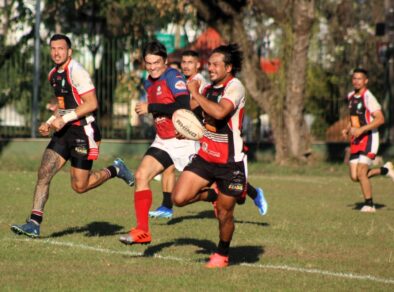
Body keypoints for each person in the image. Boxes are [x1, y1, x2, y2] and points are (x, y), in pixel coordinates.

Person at [10, 34, 134, 238]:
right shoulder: (53, 74)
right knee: (44, 172)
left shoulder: (77, 72)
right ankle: (34, 223)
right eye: (52, 48)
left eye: (60, 48)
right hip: (64, 132)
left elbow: (92, 103)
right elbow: (63, 105)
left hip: (83, 133)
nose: (56, 52)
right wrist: (49, 123)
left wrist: (64, 119)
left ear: (69, 51)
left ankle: (116, 169)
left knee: (80, 186)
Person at [149, 50, 268, 219]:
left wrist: (170, 106)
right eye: (183, 62)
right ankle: (171, 204)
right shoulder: (188, 82)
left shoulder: (201, 84)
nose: (185, 65)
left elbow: (204, 109)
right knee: (181, 188)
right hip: (206, 147)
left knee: (238, 199)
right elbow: (196, 114)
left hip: (229, 155)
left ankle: (255, 194)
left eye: (190, 62)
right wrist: (187, 129)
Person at [172, 44, 247, 268]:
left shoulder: (235, 87)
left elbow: (220, 112)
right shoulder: (207, 89)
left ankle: (222, 253)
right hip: (206, 156)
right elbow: (203, 119)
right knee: (179, 198)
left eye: (216, 65)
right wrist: (189, 131)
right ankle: (212, 195)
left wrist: (194, 91)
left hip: (230, 163)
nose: (210, 68)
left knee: (225, 215)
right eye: (209, 64)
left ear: (229, 67)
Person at [119, 40, 198, 245]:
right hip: (163, 141)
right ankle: (142, 231)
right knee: (141, 175)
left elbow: (183, 106)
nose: (152, 67)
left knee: (194, 193)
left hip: (183, 142)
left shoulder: (173, 76)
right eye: (148, 63)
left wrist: (151, 107)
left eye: (156, 63)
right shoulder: (148, 81)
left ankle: (227, 194)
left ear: (164, 61)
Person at [342, 68, 394, 213]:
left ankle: (369, 205)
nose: (356, 81)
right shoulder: (351, 96)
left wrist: (362, 129)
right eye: (354, 78)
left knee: (361, 172)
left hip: (369, 138)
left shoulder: (368, 97)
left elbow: (380, 119)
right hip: (356, 139)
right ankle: (385, 170)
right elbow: (354, 118)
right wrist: (347, 129)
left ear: (366, 81)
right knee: (354, 176)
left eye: (360, 79)